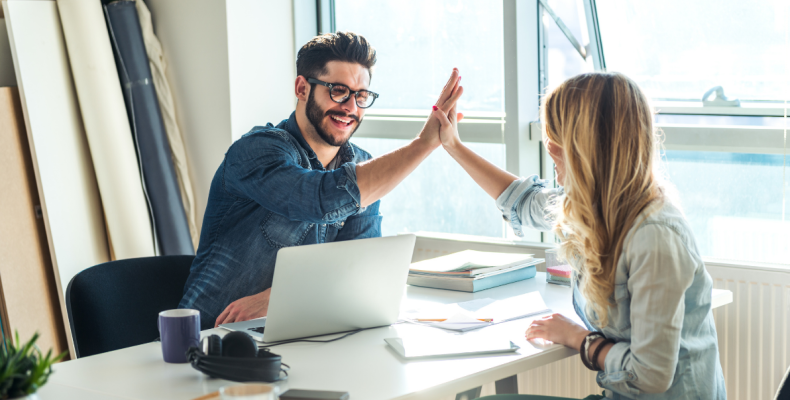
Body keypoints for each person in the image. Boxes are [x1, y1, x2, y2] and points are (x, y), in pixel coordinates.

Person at [433, 72, 725, 399]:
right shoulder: (594, 206)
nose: (550, 150)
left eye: (556, 140)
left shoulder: (655, 235)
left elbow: (650, 375)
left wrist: (580, 339)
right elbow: (526, 201)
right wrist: (453, 146)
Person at [180, 31, 464, 329]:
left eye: (361, 95)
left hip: (301, 339)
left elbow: (357, 268)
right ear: (302, 88)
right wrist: (423, 144)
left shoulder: (363, 167)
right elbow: (319, 199)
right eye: (338, 90)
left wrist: (279, 297)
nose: (351, 107)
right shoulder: (257, 151)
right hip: (206, 344)